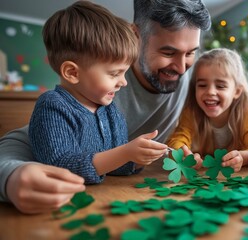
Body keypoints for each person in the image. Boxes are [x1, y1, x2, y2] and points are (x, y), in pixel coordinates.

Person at [0, 0, 211, 214]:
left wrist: (156, 155)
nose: (182, 67)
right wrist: (10, 177)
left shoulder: (110, 106)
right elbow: (34, 145)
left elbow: (122, 159)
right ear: (136, 36)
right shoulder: (93, 87)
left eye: (191, 52)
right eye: (168, 53)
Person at [29, 1, 167, 185]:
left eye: (124, 72)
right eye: (114, 73)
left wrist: (136, 159)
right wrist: (125, 152)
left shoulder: (111, 111)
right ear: (72, 73)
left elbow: (113, 165)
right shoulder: (53, 106)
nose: (124, 82)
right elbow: (60, 166)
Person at [166, 48, 248, 172]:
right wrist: (183, 154)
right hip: (203, 177)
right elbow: (176, 140)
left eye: (220, 86)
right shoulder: (191, 110)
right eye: (202, 85)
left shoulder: (247, 111)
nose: (210, 92)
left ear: (237, 91)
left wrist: (243, 158)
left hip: (237, 178)